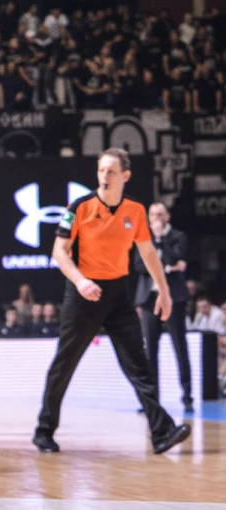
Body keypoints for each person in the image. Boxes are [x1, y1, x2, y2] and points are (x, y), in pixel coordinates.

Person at [33, 148, 190, 455]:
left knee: (138, 363)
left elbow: (148, 253)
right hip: (83, 292)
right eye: (101, 170)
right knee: (65, 364)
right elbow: (59, 252)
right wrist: (80, 281)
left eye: (111, 171)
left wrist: (164, 291)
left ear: (125, 176)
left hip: (117, 293)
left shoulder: (135, 210)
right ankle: (44, 431)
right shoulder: (79, 207)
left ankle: (161, 432)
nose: (104, 175)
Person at [133, 203, 192, 413]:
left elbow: (173, 257)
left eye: (160, 214)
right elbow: (139, 266)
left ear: (167, 216)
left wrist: (159, 240)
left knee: (179, 346)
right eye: (152, 214)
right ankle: (152, 399)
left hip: (173, 298)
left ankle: (187, 396)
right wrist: (167, 267)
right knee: (150, 350)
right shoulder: (142, 237)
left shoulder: (178, 236)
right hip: (149, 299)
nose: (156, 218)